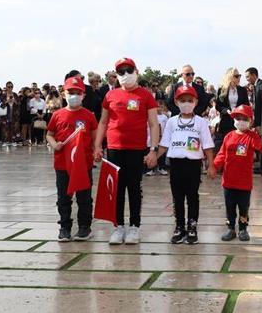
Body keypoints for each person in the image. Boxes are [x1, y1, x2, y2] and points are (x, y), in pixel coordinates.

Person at [94, 57, 159, 245]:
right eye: (120, 72)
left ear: (136, 71)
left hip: (137, 150)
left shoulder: (146, 96)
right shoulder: (110, 96)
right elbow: (103, 122)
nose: (125, 75)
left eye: (128, 70)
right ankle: (118, 226)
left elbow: (154, 124)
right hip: (114, 149)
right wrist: (98, 145)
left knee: (134, 189)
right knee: (116, 189)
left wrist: (153, 150)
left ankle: (134, 227)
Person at [156, 85, 216, 244]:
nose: (186, 103)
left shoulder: (201, 122)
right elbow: (164, 143)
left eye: (190, 100)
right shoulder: (172, 122)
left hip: (193, 165)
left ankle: (192, 227)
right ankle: (179, 226)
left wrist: (211, 165)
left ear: (196, 102)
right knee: (177, 196)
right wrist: (154, 157)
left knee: (192, 196)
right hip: (176, 164)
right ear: (176, 102)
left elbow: (208, 145)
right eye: (183, 100)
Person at [46, 77, 98, 242]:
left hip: (83, 164)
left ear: (83, 95)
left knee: (84, 197)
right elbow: (49, 134)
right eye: (71, 92)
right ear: (64, 94)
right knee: (63, 197)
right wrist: (54, 145)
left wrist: (97, 150)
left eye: (78, 93)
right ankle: (65, 227)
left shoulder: (89, 116)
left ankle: (84, 227)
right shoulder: (57, 115)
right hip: (62, 163)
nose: (74, 95)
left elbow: (95, 138)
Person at [214, 104, 262, 241]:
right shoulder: (229, 136)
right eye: (238, 118)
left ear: (250, 121)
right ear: (233, 119)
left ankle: (243, 229)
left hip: (244, 182)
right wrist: (214, 167)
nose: (241, 121)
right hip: (228, 181)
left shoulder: (252, 136)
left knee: (244, 207)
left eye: (244, 118)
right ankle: (230, 228)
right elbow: (222, 154)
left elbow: (261, 147)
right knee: (230, 207)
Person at [245, 67, 262, 182]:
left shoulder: (261, 87)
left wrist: (260, 124)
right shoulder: (257, 87)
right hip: (259, 123)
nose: (247, 79)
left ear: (254, 75)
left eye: (248, 76)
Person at [215, 67, 250, 149]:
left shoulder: (242, 90)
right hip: (226, 121)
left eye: (239, 76)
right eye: (236, 76)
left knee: (240, 146)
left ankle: (240, 161)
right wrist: (226, 111)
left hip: (240, 121)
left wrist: (239, 111)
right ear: (230, 77)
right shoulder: (222, 90)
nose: (239, 78)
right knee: (228, 146)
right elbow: (218, 105)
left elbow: (247, 105)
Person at [145, 101, 170, 176]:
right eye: (158, 107)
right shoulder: (151, 116)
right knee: (151, 152)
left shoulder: (165, 117)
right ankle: (150, 169)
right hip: (151, 138)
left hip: (161, 138)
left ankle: (161, 168)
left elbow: (166, 127)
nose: (159, 109)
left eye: (161, 107)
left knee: (161, 153)